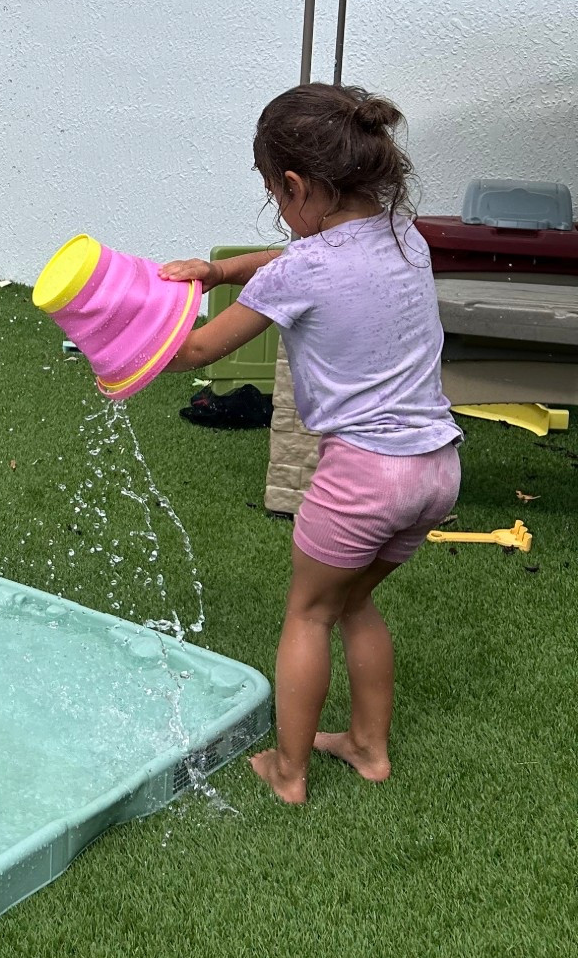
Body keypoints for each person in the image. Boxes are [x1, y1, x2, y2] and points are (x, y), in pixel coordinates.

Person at [160, 84, 460, 804]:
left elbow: (197, 351)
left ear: (294, 186)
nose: (280, 213)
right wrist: (222, 270)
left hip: (365, 475)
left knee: (310, 613)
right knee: (355, 604)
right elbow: (305, 254)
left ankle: (287, 771)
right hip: (436, 469)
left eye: (275, 195)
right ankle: (367, 747)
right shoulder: (404, 235)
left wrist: (120, 324)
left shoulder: (301, 270)